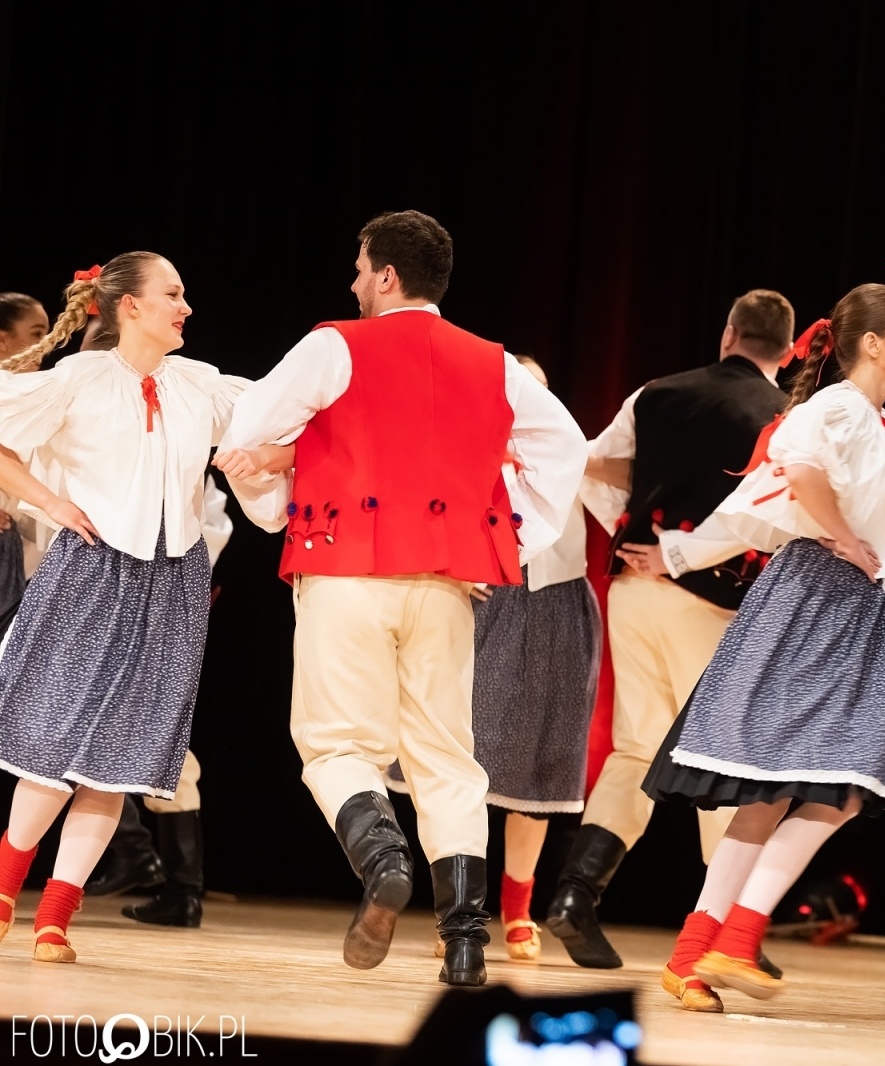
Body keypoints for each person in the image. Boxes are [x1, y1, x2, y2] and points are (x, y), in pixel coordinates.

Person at [215, 210, 586, 987]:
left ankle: (383, 859)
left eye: (360, 269)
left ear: (386, 275)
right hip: (449, 581)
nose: (354, 284)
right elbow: (563, 448)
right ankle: (465, 941)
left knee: (337, 742)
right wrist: (508, 536)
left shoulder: (334, 344)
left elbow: (248, 433)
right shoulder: (494, 364)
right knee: (447, 759)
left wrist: (277, 488)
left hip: (346, 563)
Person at [635, 283, 885, 1012]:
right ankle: (708, 948)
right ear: (873, 344)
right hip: (816, 596)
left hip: (867, 611)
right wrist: (838, 533)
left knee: (849, 784)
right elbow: (796, 474)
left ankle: (725, 937)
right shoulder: (833, 407)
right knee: (777, 782)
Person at [0, 254, 259, 963]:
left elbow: (274, 417)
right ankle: (3, 892)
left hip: (172, 586)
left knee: (122, 760)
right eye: (173, 294)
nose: (186, 306)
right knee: (53, 747)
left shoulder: (199, 382)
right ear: (129, 308)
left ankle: (55, 917)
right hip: (91, 571)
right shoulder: (83, 377)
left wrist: (264, 457)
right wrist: (48, 500)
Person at [547, 290, 792, 970]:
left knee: (635, 749)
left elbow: (590, 463)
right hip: (707, 604)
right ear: (787, 350)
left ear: (728, 334)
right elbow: (760, 518)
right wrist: (680, 555)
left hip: (634, 591)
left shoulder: (653, 393)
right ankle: (722, 935)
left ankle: (574, 896)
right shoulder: (782, 418)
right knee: (724, 761)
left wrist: (632, 530)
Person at [388, 354, 602, 963]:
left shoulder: (567, 452)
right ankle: (460, 907)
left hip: (557, 606)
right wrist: (451, 563)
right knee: (467, 755)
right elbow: (418, 509)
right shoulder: (460, 450)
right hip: (483, 601)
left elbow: (616, 492)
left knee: (539, 756)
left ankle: (518, 905)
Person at [0, 292, 51, 635]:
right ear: (2, 340)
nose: (46, 343)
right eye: (37, 333)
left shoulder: (36, 396)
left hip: (9, 547)